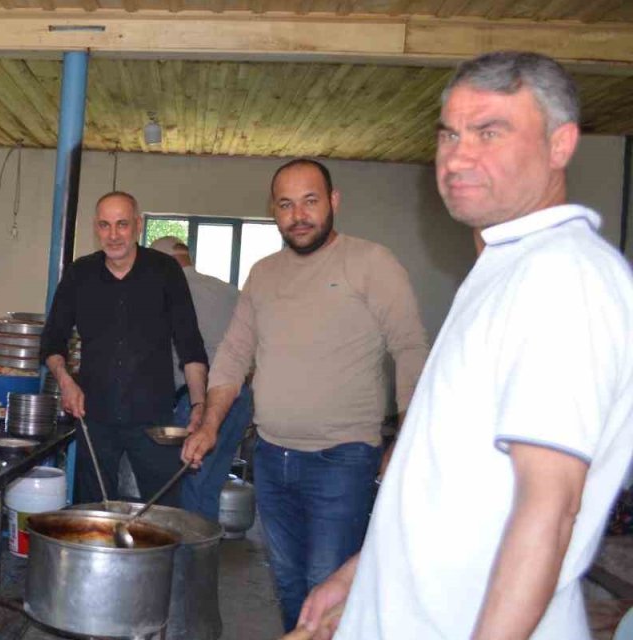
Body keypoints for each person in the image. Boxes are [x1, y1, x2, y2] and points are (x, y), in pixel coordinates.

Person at [300, 51, 633, 640]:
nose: (458, 155)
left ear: (561, 145)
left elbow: (549, 511)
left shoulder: (562, 276)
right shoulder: (503, 270)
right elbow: (453, 481)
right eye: (450, 133)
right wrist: (360, 576)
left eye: (490, 131)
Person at [181, 158, 430, 632]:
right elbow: (233, 355)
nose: (299, 215)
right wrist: (210, 424)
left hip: (343, 459)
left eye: (310, 201)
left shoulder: (371, 263)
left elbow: (410, 348)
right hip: (272, 459)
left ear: (334, 202)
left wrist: (407, 437)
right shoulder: (263, 274)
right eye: (286, 204)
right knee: (290, 584)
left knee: (328, 589)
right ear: (273, 211)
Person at [42, 192, 208, 507]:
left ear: (138, 225)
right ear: (96, 228)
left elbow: (190, 345)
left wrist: (199, 405)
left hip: (153, 416)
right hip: (94, 414)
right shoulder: (80, 274)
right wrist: (66, 382)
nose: (114, 235)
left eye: (122, 224)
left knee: (163, 509)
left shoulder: (165, 272)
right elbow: (52, 340)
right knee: (92, 508)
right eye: (105, 225)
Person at [149, 236, 249, 522]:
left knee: (187, 483)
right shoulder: (230, 291)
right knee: (211, 484)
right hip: (239, 399)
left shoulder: (167, 292)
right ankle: (203, 556)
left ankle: (185, 556)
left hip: (197, 403)